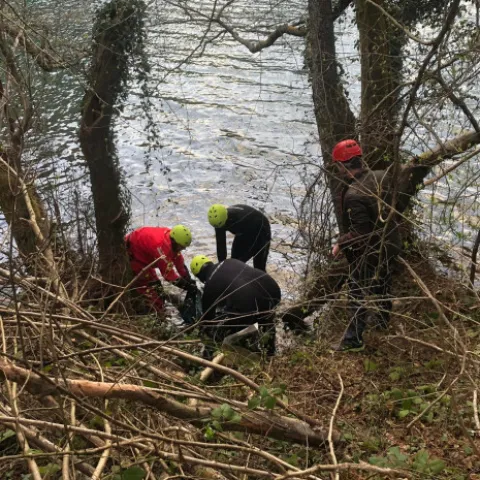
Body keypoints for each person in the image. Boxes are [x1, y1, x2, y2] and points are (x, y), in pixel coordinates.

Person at [330, 139, 401, 352]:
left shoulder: (354, 195)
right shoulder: (381, 177)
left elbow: (362, 232)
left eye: (338, 166)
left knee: (356, 290)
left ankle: (354, 340)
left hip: (371, 250)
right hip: (391, 242)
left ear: (343, 166)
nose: (338, 170)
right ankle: (381, 322)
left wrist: (340, 244)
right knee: (382, 282)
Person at [190, 255, 281, 354]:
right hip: (273, 290)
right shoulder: (230, 260)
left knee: (228, 330)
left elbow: (207, 320)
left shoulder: (209, 285)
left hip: (249, 303)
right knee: (266, 318)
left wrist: (204, 332)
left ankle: (244, 350)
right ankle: (271, 352)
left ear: (200, 276)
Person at [125, 225, 196, 312]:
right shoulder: (161, 247)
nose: (181, 249)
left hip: (143, 251)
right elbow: (169, 276)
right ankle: (155, 314)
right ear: (174, 241)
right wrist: (187, 287)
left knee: (157, 287)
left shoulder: (171, 238)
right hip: (135, 254)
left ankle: (158, 309)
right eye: (181, 247)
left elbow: (178, 260)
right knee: (153, 293)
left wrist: (187, 278)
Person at [207, 204, 271, 271]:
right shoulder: (218, 221)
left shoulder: (240, 218)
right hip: (243, 232)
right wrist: (222, 265)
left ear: (225, 218)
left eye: (222, 225)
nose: (220, 228)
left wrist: (242, 259)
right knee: (234, 263)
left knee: (258, 266)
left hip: (261, 228)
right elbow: (221, 244)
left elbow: (252, 245)